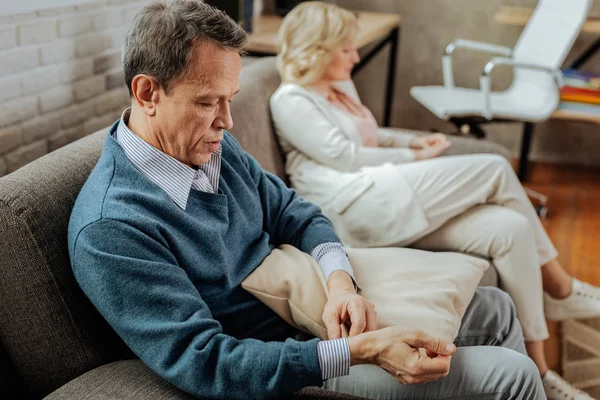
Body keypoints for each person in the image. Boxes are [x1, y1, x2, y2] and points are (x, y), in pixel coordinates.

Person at [68, 1, 544, 399]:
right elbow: (207, 362)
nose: (228, 122)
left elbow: (296, 214)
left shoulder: (211, 147)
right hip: (294, 363)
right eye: (209, 102)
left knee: (498, 306)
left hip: (314, 307)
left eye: (231, 99)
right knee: (513, 375)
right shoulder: (112, 227)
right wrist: (364, 350)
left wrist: (340, 284)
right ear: (147, 92)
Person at [269, 2, 600, 399]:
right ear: (316, 49)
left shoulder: (338, 86)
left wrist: (411, 141)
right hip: (354, 205)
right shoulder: (290, 99)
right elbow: (346, 155)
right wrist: (415, 156)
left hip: (383, 188)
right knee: (495, 167)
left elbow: (369, 137)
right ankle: (560, 288)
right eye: (345, 49)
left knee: (510, 230)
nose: (356, 57)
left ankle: (541, 370)